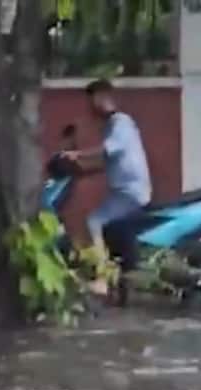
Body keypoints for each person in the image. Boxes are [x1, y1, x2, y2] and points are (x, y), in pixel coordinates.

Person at [63, 79, 152, 296]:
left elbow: (107, 150)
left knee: (94, 221)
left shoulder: (121, 123)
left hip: (131, 192)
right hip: (124, 191)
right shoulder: (113, 126)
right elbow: (108, 161)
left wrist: (77, 154)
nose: (90, 107)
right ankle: (117, 274)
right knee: (104, 226)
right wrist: (79, 169)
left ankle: (102, 279)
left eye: (91, 101)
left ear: (102, 98)